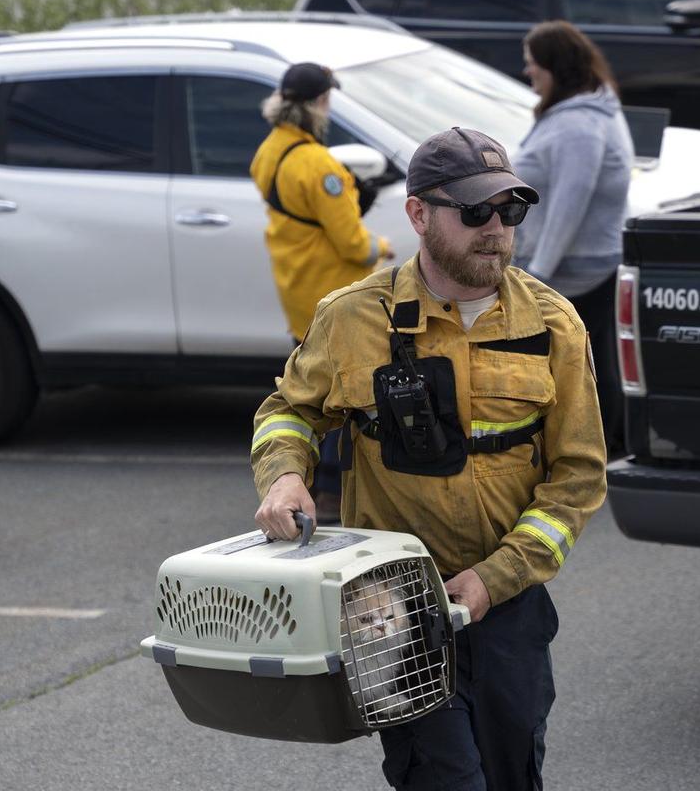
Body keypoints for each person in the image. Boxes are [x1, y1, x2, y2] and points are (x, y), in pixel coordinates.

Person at [252, 126, 607, 790]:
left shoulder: (553, 325)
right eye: (475, 212)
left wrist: (495, 577)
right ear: (418, 214)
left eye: (510, 210)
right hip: (393, 607)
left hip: (508, 609)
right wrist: (287, 478)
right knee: (444, 779)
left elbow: (578, 478)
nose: (496, 227)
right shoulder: (351, 318)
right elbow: (287, 411)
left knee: (511, 776)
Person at [250, 61, 394, 521]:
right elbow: (353, 244)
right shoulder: (319, 164)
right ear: (318, 103)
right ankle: (330, 490)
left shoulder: (269, 150)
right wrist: (385, 248)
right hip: (331, 293)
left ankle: (309, 481)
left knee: (307, 390)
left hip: (296, 290)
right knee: (342, 396)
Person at [511, 20, 634, 457]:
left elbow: (569, 203)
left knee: (577, 367)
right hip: (582, 265)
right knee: (590, 361)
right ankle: (593, 449)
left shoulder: (579, 125)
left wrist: (536, 274)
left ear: (555, 66)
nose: (529, 73)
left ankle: (588, 454)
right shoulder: (587, 110)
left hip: (574, 271)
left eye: (533, 64)